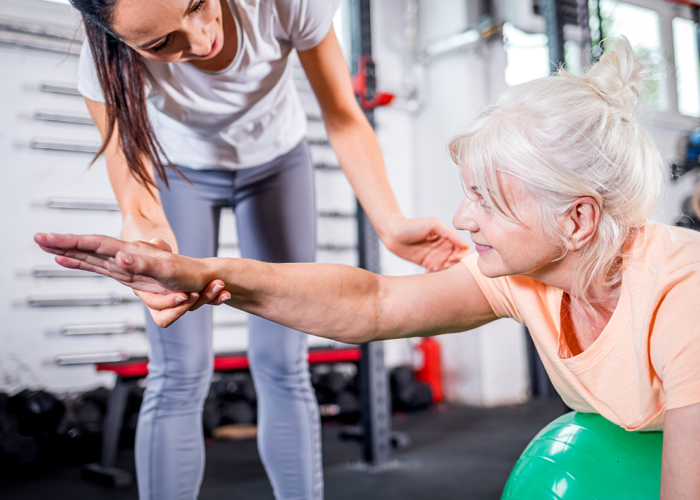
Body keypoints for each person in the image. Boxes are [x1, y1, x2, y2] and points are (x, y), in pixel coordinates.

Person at [37, 38, 700, 499]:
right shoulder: (526, 278)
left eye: (487, 201)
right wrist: (209, 277)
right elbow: (375, 305)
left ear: (577, 221)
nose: (462, 219)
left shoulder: (683, 298)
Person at [67, 0, 469, 498]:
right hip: (182, 171)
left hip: (276, 165)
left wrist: (390, 223)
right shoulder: (103, 51)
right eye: (160, 43)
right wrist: (148, 240)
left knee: (283, 361)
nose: (198, 39)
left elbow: (343, 115)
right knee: (177, 370)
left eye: (197, 5)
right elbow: (136, 196)